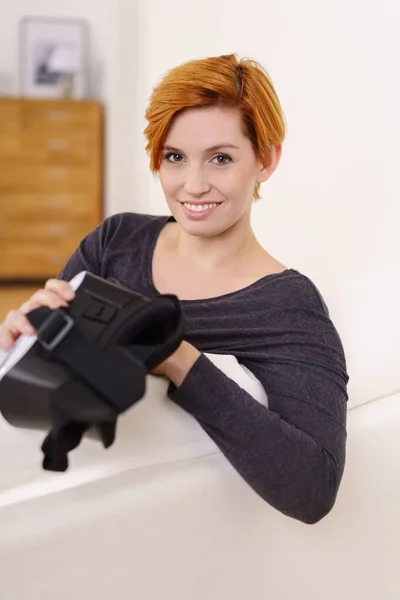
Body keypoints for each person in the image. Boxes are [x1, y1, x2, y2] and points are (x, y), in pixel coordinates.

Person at [0, 53, 348, 524]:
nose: (193, 185)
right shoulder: (114, 241)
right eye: (175, 157)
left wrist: (176, 356)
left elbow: (313, 488)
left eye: (220, 158)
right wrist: (18, 345)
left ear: (266, 160)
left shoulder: (287, 307)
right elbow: (38, 391)